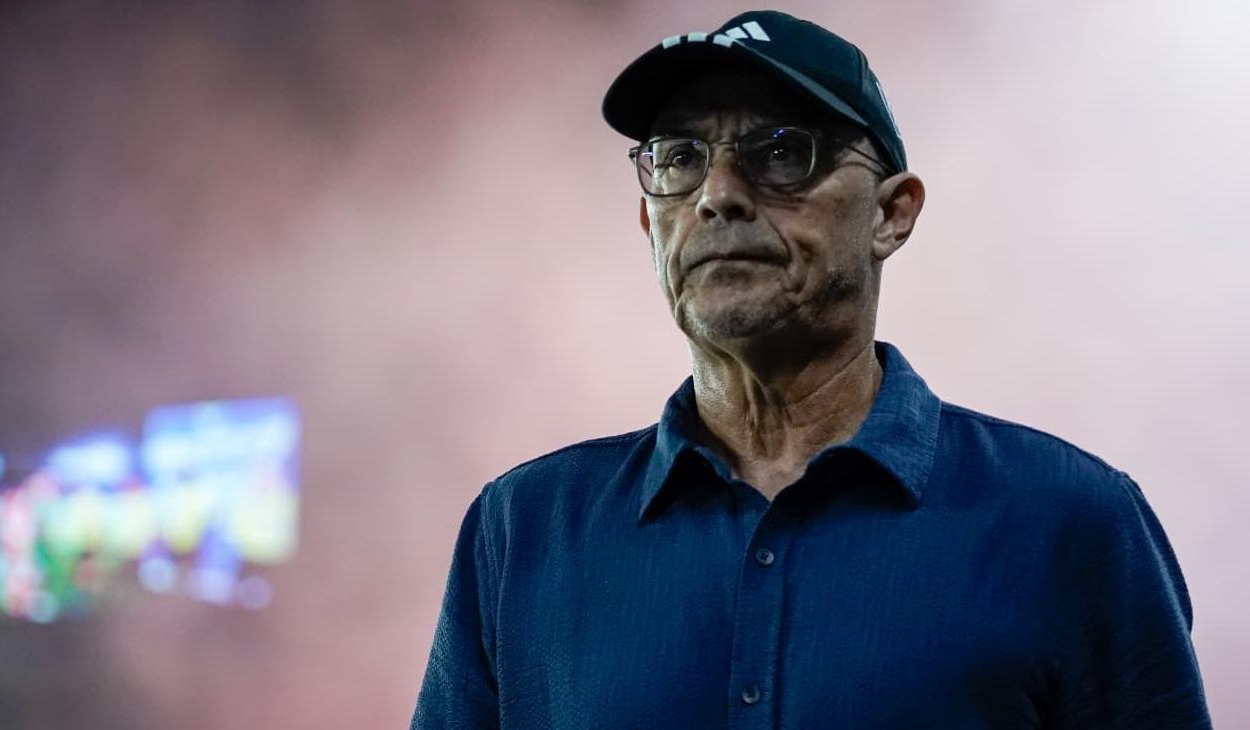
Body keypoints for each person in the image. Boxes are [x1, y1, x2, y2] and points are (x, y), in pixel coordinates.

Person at [412, 10, 1211, 729]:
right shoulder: (522, 530)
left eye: (782, 153)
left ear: (892, 214)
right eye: (678, 158)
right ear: (647, 221)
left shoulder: (1072, 522)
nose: (716, 196)